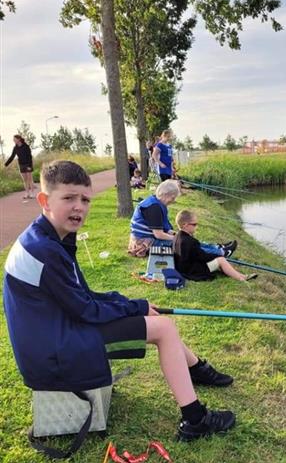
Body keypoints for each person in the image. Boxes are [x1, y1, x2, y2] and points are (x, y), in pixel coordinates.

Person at [3, 160, 236, 442]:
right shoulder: (45, 249)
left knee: (155, 321)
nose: (79, 207)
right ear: (44, 200)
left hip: (54, 335)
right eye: (69, 198)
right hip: (52, 355)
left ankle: (196, 369)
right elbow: (86, 309)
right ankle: (195, 419)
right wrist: (135, 306)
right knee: (164, 329)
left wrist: (133, 304)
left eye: (85, 199)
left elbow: (82, 296)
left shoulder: (46, 237)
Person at [128, 179, 237, 259]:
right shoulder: (154, 208)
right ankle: (221, 253)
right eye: (173, 197)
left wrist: (177, 234)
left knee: (187, 239)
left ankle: (217, 247)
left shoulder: (156, 202)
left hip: (151, 237)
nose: (173, 200)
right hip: (145, 242)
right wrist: (177, 239)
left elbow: (163, 229)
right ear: (167, 194)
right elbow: (159, 235)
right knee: (186, 243)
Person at [174, 210, 257, 282]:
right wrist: (218, 256)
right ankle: (242, 278)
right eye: (194, 224)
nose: (196, 227)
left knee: (218, 258)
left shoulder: (177, 236)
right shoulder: (189, 241)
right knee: (221, 260)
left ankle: (239, 275)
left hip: (184, 268)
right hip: (192, 271)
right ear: (185, 225)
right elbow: (203, 257)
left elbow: (198, 255)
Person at [4, 134, 35, 201]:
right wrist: (6, 164)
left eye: (14, 139)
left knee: (30, 179)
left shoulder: (26, 146)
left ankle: (32, 193)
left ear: (19, 139)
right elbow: (12, 156)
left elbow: (30, 156)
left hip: (28, 164)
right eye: (13, 139)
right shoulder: (15, 148)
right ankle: (27, 193)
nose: (13, 140)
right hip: (21, 165)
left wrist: (30, 166)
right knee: (25, 180)